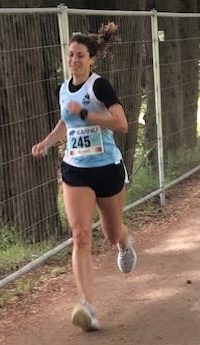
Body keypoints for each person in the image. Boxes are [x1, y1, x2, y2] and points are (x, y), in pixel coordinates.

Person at [31, 22, 136, 332]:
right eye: (71, 55)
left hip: (107, 168)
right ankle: (88, 306)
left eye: (80, 55)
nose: (74, 60)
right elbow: (66, 121)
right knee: (80, 235)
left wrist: (88, 114)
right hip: (75, 169)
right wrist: (47, 142)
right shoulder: (63, 89)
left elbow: (122, 124)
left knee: (111, 232)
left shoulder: (99, 87)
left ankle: (124, 241)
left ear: (91, 58)